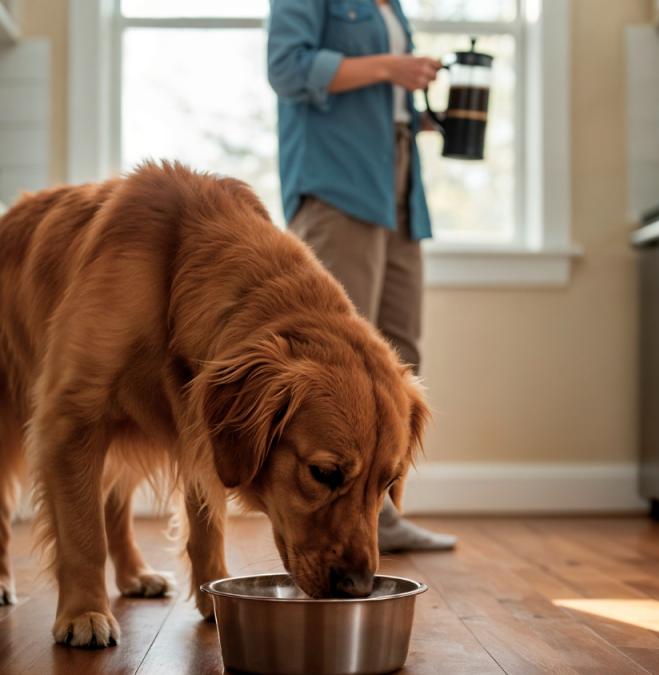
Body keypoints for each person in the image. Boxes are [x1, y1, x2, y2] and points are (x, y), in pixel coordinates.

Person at [267, 0, 456, 552]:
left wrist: (411, 111)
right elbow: (287, 68)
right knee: (335, 354)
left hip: (395, 178)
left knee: (400, 350)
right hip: (337, 183)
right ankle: (316, 523)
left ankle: (381, 517)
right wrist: (389, 68)